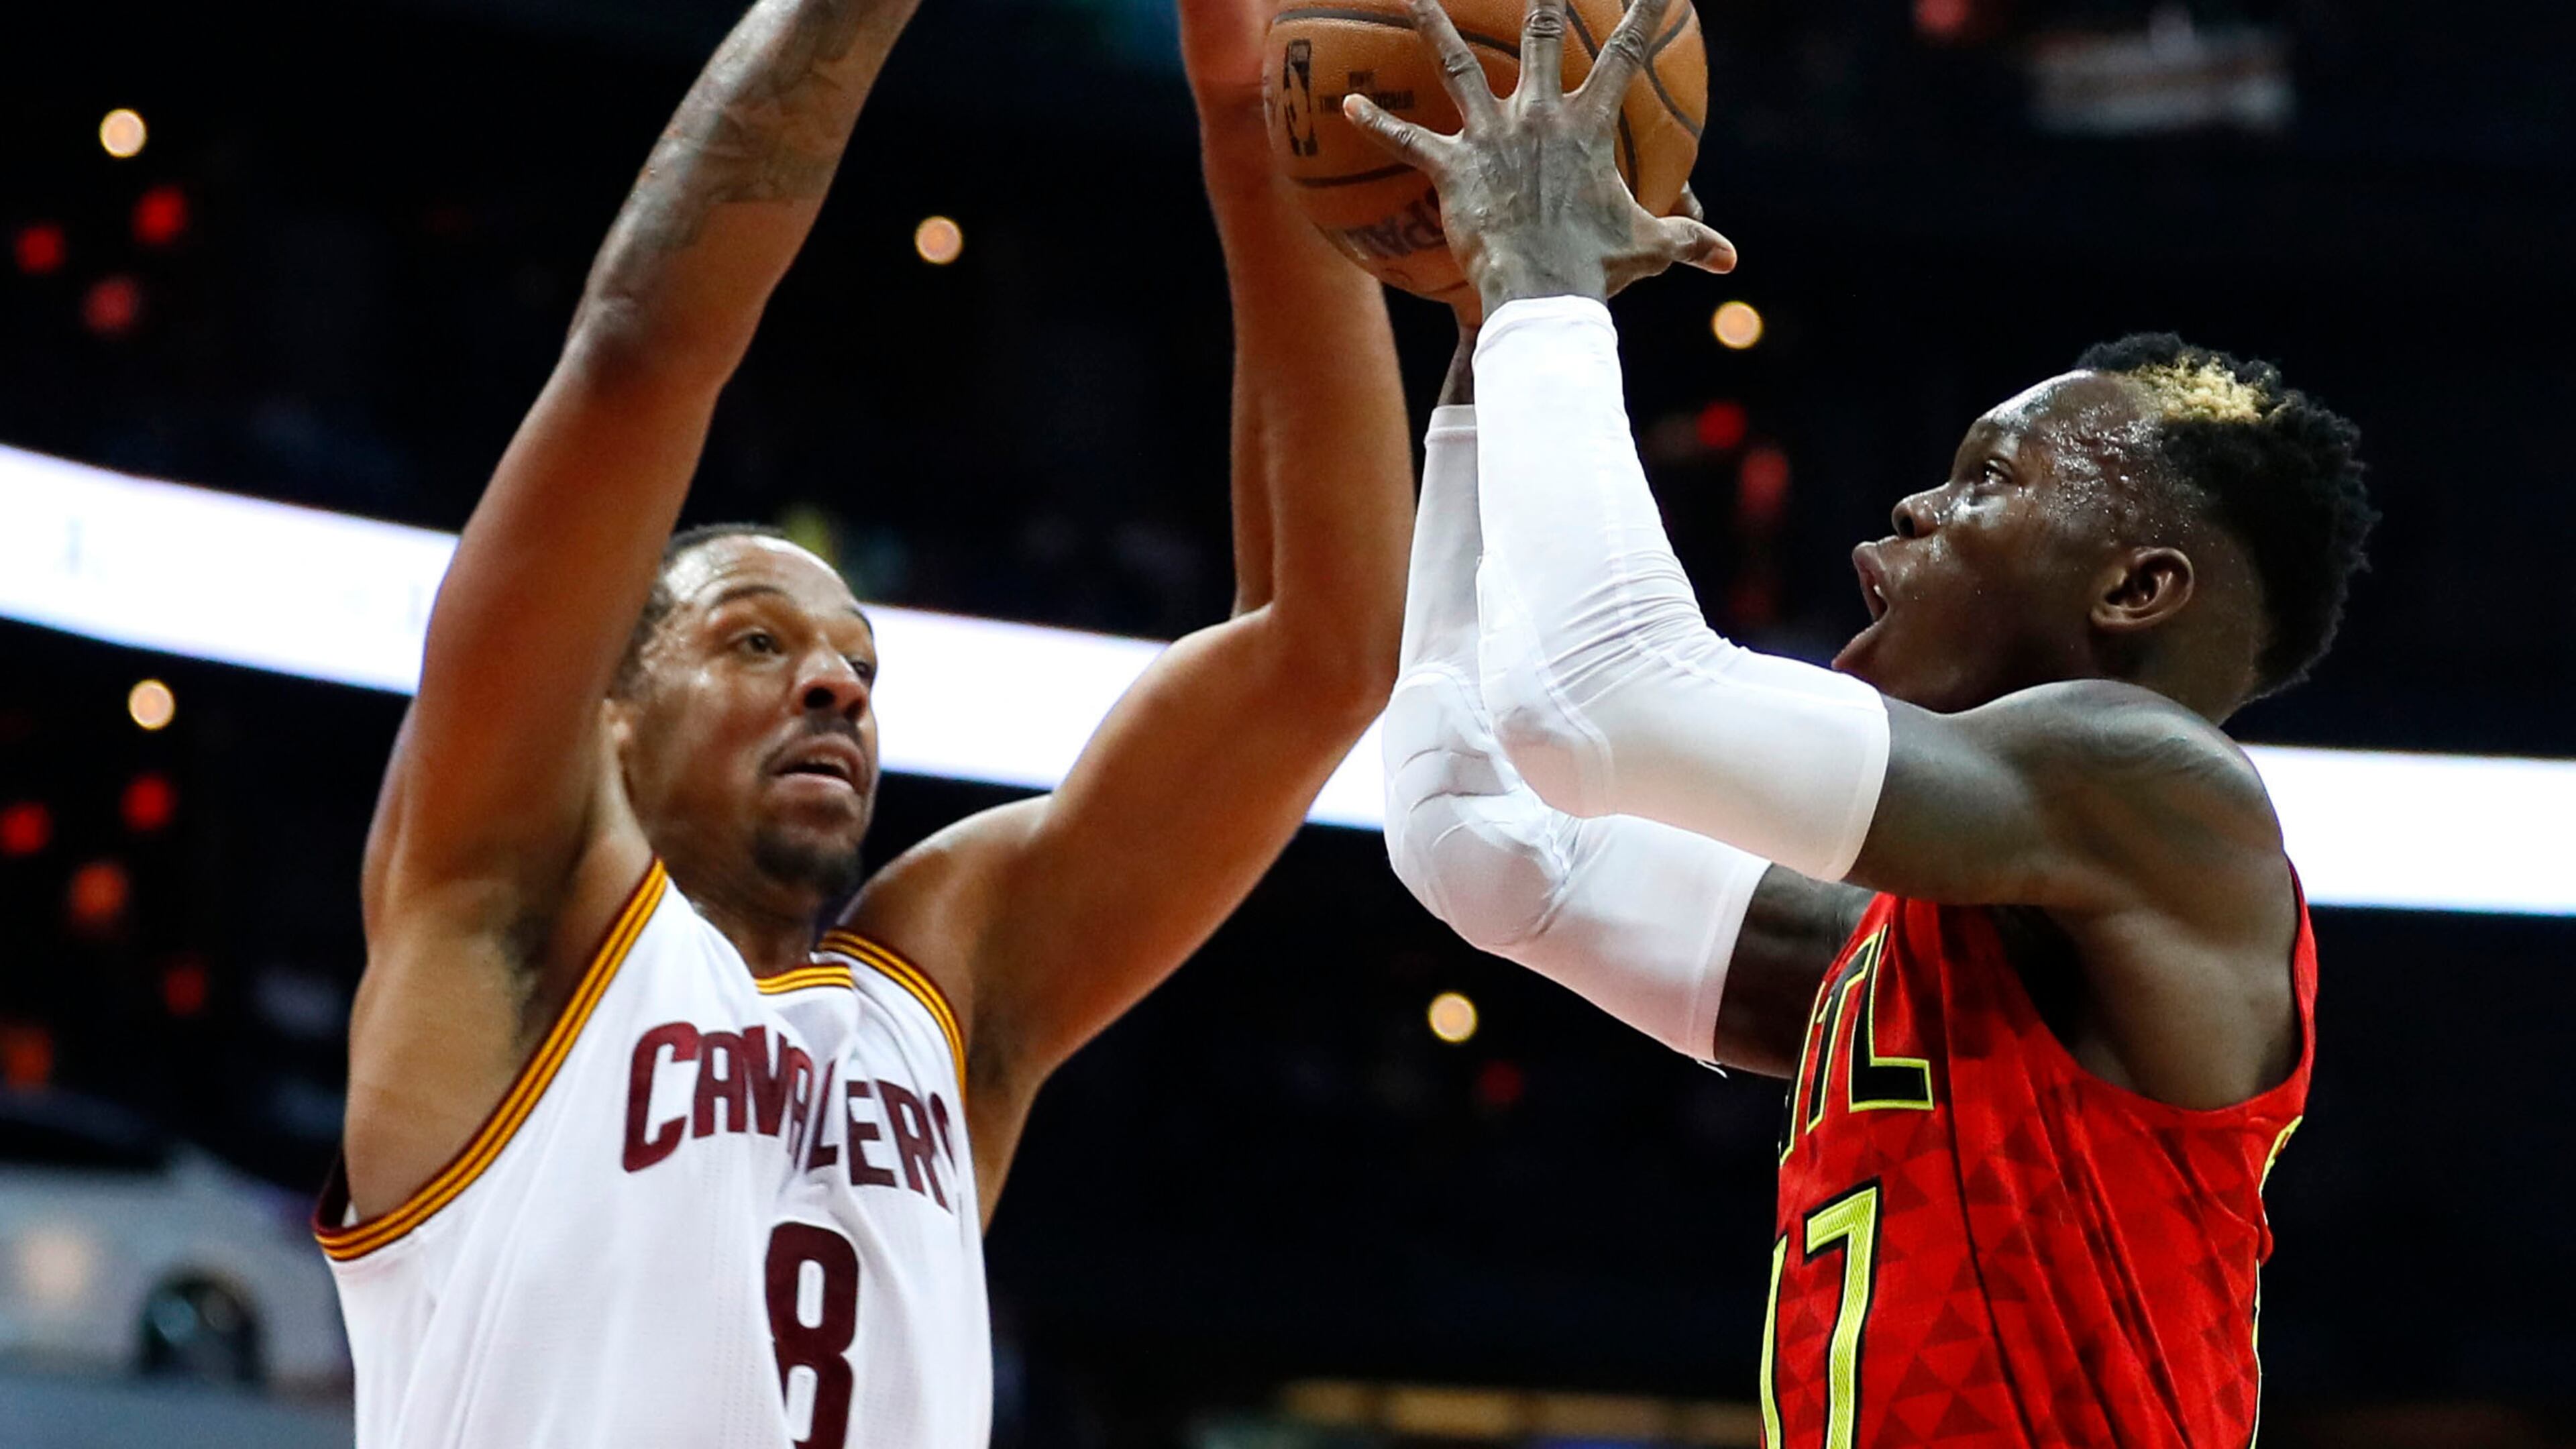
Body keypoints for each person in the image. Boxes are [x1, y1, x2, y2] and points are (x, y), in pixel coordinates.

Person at [315, 0, 1415, 1440]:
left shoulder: (942, 990)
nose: (833, 684)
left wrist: (1244, 108)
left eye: (857, 664)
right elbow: (641, 353)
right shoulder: (507, 915)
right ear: (610, 718)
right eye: (755, 642)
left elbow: (1329, 656)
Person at [1355, 0, 2375, 1442]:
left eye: (1991, 477)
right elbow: (1479, 833)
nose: (1916, 507)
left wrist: (1544, 282)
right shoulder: (1896, 962)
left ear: (2141, 587)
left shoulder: (2170, 798)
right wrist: (1484, 334)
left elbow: (1613, 699)